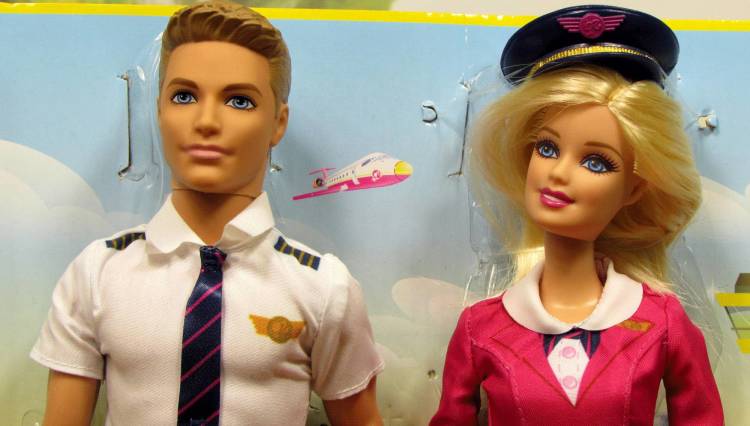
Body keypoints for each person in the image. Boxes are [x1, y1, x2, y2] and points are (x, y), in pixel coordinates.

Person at [31, 1, 384, 424]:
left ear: (278, 122)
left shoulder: (323, 289)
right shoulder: (98, 274)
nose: (206, 121)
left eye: (239, 101)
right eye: (183, 96)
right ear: (159, 110)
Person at [431, 5, 723, 425]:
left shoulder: (660, 321)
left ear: (634, 189)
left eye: (597, 163)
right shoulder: (482, 327)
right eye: (547, 148)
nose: (558, 173)